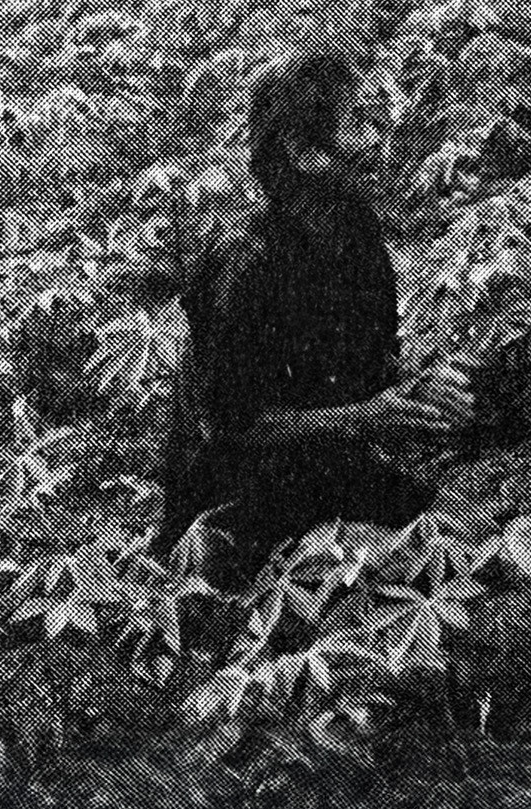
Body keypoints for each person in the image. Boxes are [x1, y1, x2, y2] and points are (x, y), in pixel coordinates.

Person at [156, 50, 473, 585]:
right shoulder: (247, 266)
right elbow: (230, 427)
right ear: (303, 152)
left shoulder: (356, 231)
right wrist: (365, 417)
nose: (379, 142)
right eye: (359, 124)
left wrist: (417, 385)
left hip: (322, 459)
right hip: (234, 501)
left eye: (375, 122)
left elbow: (368, 359)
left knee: (444, 525)